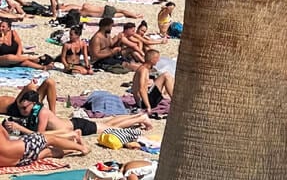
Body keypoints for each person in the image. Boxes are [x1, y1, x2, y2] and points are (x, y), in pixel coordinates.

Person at [3, 88, 150, 139]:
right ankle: (138, 117)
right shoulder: (35, 111)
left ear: (33, 104)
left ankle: (140, 119)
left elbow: (40, 135)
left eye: (25, 108)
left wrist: (20, 128)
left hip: (76, 126)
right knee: (108, 122)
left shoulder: (42, 112)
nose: (23, 111)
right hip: (73, 123)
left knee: (109, 128)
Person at [132, 49, 174, 114]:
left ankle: (172, 97)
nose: (158, 60)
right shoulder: (143, 71)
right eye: (157, 58)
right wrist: (148, 106)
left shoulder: (143, 68)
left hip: (143, 99)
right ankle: (175, 100)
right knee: (166, 76)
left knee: (164, 76)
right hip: (143, 102)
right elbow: (142, 89)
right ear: (152, 60)